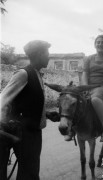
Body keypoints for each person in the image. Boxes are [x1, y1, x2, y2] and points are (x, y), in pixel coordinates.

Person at [0, 40, 51, 180]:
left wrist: (47, 114)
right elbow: (2, 100)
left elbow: (29, 103)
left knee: (30, 172)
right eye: (47, 53)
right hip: (23, 133)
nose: (49, 56)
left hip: (33, 132)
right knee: (29, 174)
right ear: (39, 54)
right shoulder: (24, 74)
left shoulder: (38, 75)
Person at [76, 35, 103, 142]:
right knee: (73, 98)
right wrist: (85, 87)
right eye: (98, 42)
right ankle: (72, 130)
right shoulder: (88, 58)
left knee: (95, 100)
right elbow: (85, 74)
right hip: (89, 86)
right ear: (95, 44)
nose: (100, 44)